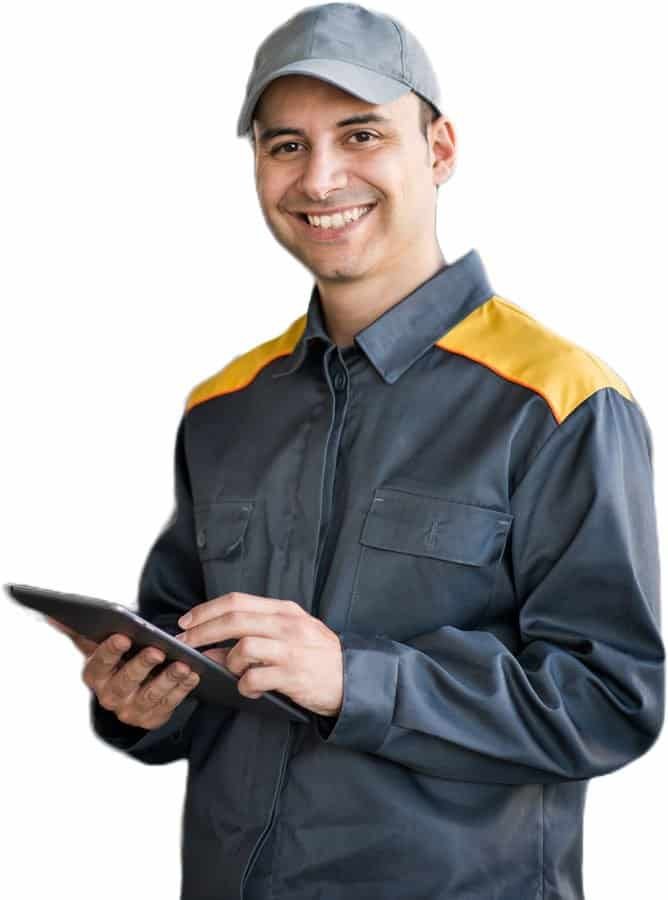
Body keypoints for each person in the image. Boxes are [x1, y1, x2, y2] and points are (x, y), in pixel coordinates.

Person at [48, 3, 665, 899]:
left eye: (362, 133)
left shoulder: (560, 401)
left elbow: (610, 703)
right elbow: (190, 664)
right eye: (285, 144)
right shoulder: (224, 408)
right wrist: (140, 703)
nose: (320, 176)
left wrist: (354, 679)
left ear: (441, 150)